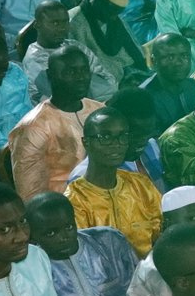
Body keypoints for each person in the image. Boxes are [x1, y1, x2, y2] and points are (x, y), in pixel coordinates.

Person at [26, 189, 140, 296]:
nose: (63, 236)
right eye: (51, 233)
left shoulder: (109, 242)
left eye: (69, 227)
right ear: (32, 236)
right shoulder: (33, 271)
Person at [65, 106, 165, 256]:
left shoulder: (140, 185)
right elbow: (86, 257)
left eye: (122, 136)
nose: (116, 144)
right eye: (105, 137)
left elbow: (163, 233)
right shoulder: (76, 199)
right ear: (86, 143)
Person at [8, 45, 104, 198]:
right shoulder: (33, 127)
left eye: (84, 70)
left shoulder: (99, 111)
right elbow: (31, 195)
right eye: (71, 72)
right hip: (65, 207)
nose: (81, 77)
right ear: (50, 75)